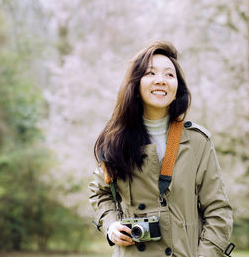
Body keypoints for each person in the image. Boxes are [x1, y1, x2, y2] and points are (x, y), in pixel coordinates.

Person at [89, 40, 233, 257]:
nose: (161, 81)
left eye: (169, 75)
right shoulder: (115, 141)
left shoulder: (198, 141)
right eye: (150, 73)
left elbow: (218, 210)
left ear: (178, 88)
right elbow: (100, 193)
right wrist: (111, 226)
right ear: (135, 84)